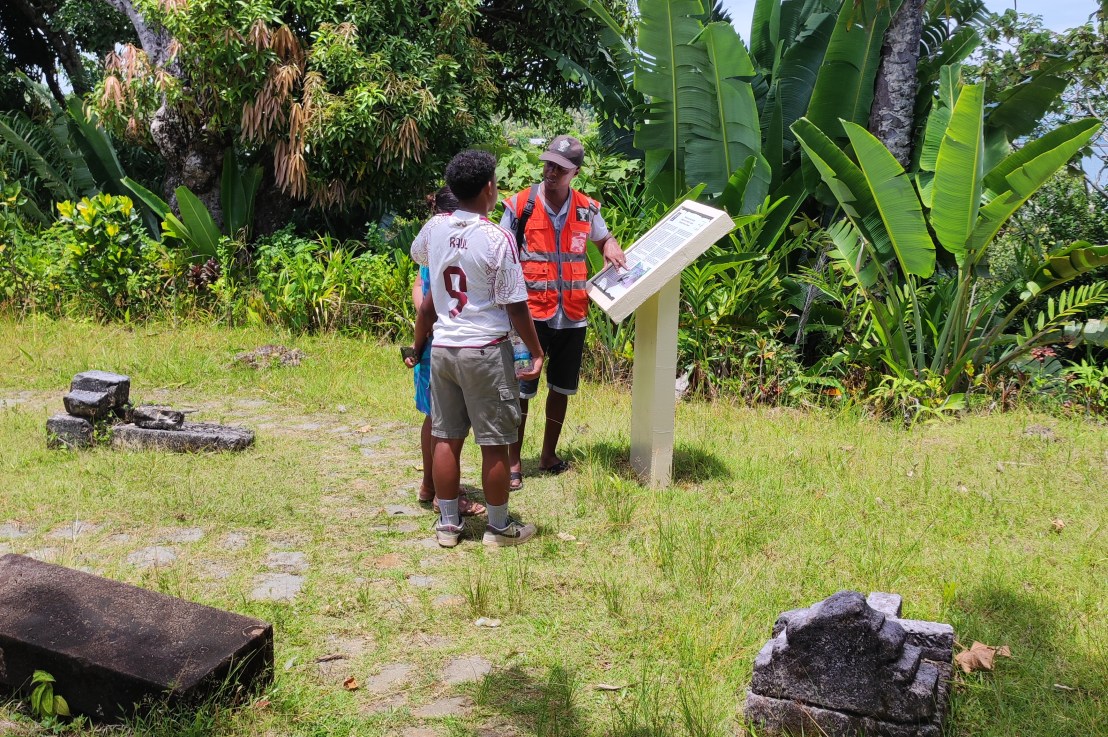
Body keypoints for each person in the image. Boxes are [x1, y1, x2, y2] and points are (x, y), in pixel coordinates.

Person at [406, 149, 545, 548]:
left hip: (445, 348)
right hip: (484, 349)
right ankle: (499, 528)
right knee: (495, 441)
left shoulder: (434, 228)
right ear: (488, 188)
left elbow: (422, 259)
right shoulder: (496, 238)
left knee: (446, 436)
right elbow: (515, 304)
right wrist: (536, 351)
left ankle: (448, 525)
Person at [501, 135, 626, 490]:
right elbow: (499, 252)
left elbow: (603, 239)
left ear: (576, 172)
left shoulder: (587, 208)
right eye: (548, 164)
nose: (550, 171)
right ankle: (513, 463)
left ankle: (548, 455)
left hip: (572, 314)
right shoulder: (521, 205)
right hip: (530, 316)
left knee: (561, 388)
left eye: (559, 167)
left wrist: (611, 244)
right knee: (522, 388)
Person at [411, 186, 485, 518]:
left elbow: (420, 290)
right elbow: (424, 294)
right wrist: (432, 315)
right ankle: (445, 494)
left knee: (435, 417)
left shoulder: (432, 244)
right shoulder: (453, 246)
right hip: (446, 339)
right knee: (446, 424)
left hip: (432, 335)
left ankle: (430, 484)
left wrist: (427, 316)